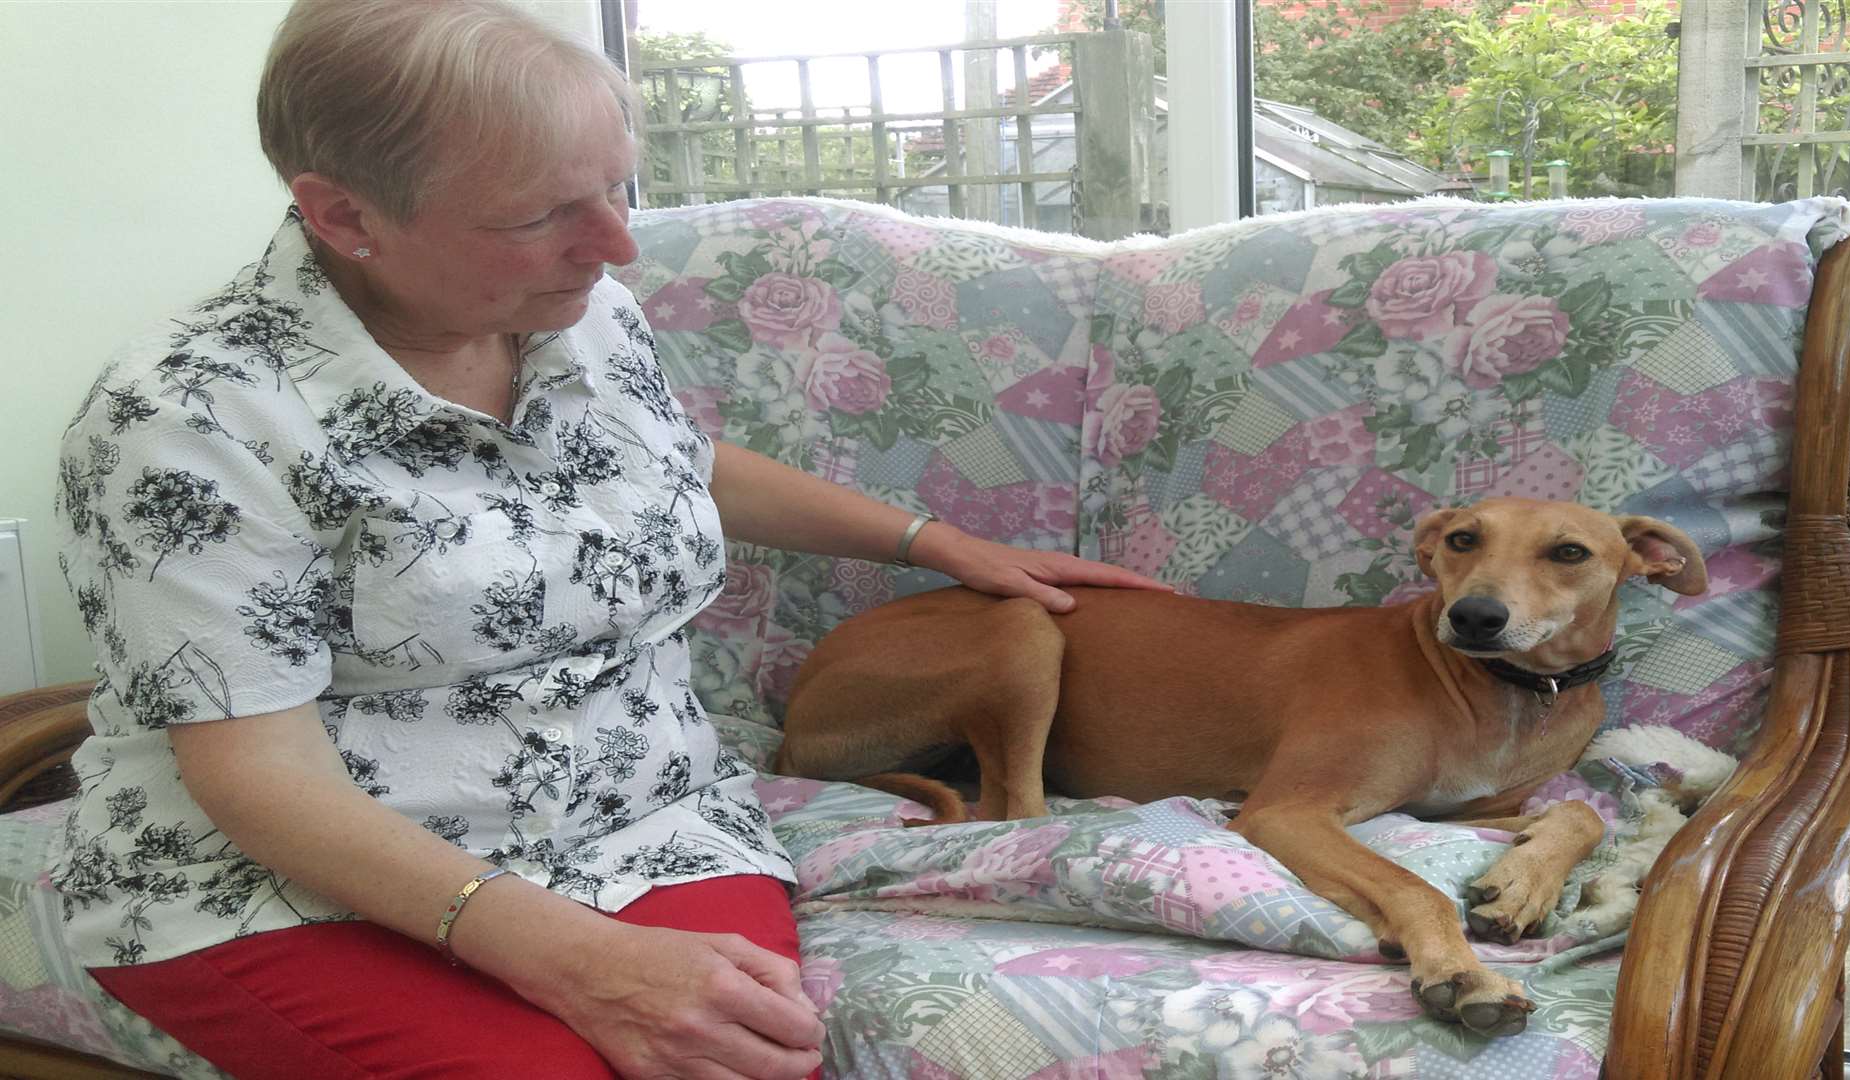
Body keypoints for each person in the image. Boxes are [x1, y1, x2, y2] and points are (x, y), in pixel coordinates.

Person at [49, 2, 1166, 1077]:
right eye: (541, 214)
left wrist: (937, 543)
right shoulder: (187, 417)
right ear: (345, 217)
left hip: (641, 823)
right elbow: (260, 781)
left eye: (616, 189)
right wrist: (583, 965)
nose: (617, 245)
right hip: (289, 875)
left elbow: (664, 461)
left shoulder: (574, 314)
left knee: (743, 1057)